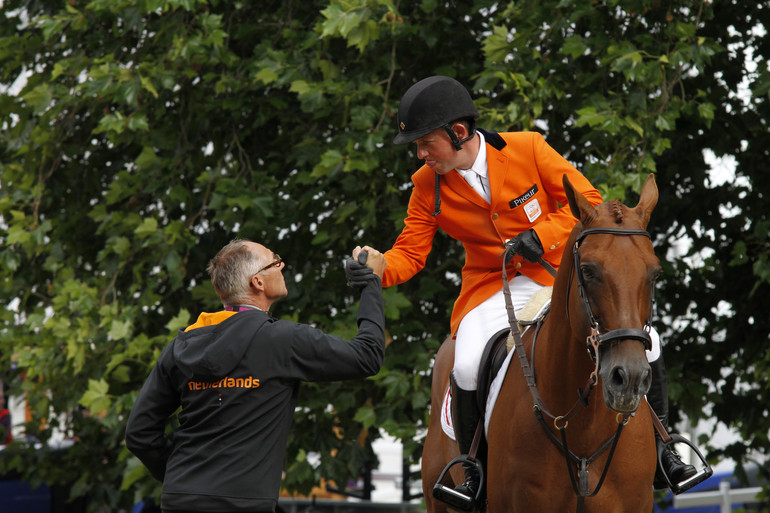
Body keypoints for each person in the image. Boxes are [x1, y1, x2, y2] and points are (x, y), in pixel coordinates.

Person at [357, 75, 696, 508]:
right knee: (464, 363)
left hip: (557, 276)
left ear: (457, 133)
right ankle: (473, 468)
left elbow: (587, 201)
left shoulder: (528, 148)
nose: (420, 154)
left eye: (425, 143)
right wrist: (377, 267)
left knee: (648, 340)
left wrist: (543, 234)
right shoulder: (428, 185)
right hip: (492, 289)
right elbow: (410, 254)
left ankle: (667, 451)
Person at [125, 239, 387, 513]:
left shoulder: (182, 345)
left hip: (180, 499)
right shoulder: (282, 340)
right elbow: (366, 355)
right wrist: (371, 283)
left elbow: (139, 432)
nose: (282, 264)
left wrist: (185, 479)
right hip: (244, 504)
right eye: (275, 261)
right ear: (257, 282)